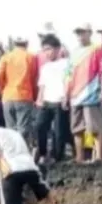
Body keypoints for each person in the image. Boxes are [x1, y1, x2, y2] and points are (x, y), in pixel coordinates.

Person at [68, 23, 102, 163]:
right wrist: (66, 93)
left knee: (96, 127)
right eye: (78, 33)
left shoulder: (97, 49)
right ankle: (79, 157)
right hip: (75, 95)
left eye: (82, 32)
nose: (80, 35)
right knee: (77, 128)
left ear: (89, 33)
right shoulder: (73, 52)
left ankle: (99, 157)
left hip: (91, 93)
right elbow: (68, 74)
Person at [0, 36, 39, 144]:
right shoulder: (31, 57)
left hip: (8, 97)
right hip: (24, 96)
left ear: (14, 44)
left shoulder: (6, 57)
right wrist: (35, 96)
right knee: (22, 130)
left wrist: (3, 91)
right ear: (26, 43)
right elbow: (34, 78)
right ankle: (21, 155)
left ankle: (12, 156)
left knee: (10, 130)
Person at [35, 34, 69, 165]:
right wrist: (39, 99)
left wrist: (66, 96)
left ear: (57, 48)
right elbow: (42, 85)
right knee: (39, 126)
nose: (47, 53)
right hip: (46, 101)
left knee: (59, 131)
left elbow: (67, 80)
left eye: (49, 49)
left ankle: (57, 157)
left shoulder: (65, 63)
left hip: (59, 100)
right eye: (44, 50)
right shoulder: (45, 67)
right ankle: (43, 153)